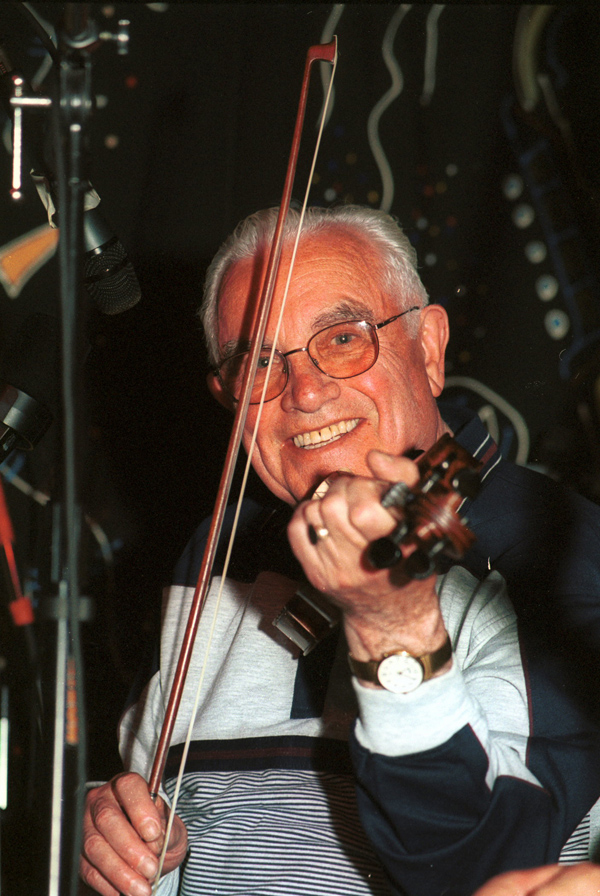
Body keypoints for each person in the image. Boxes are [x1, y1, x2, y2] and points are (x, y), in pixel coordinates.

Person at [79, 206, 600, 896]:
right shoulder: (213, 551)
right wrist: (117, 833)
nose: (306, 392)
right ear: (227, 399)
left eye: (345, 338)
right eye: (259, 364)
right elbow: (158, 808)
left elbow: (492, 873)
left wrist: (393, 629)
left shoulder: (557, 550)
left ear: (429, 349)